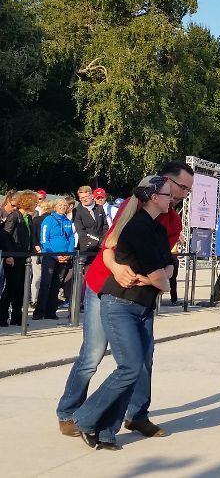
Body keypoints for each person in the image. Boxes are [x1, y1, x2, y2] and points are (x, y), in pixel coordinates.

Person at [56, 161, 193, 440]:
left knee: (143, 358)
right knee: (92, 354)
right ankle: (69, 411)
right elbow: (109, 246)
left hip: (139, 295)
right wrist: (117, 268)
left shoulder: (172, 220)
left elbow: (162, 262)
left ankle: (137, 415)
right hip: (104, 287)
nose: (186, 194)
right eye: (183, 187)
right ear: (164, 183)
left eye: (189, 190)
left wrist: (153, 279)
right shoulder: (131, 207)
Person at [34, 197, 76, 320]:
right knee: (46, 283)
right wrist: (55, 255)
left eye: (65, 205)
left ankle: (51, 312)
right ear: (55, 206)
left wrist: (68, 253)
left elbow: (71, 238)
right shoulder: (48, 220)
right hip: (50, 256)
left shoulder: (67, 221)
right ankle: (39, 312)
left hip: (64, 256)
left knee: (57, 284)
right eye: (61, 205)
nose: (63, 207)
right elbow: (44, 240)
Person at [1, 190, 36, 326]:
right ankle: (2, 317)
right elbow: (5, 236)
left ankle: (17, 317)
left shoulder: (27, 218)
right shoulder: (14, 216)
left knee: (21, 288)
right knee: (10, 287)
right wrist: (9, 254)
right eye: (34, 202)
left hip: (23, 257)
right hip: (13, 257)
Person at [72, 185, 108, 266]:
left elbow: (105, 225)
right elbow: (81, 231)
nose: (84, 199)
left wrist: (103, 239)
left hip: (101, 246)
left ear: (92, 196)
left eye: (86, 196)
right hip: (87, 247)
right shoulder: (76, 211)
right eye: (81, 198)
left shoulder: (100, 208)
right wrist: (96, 240)